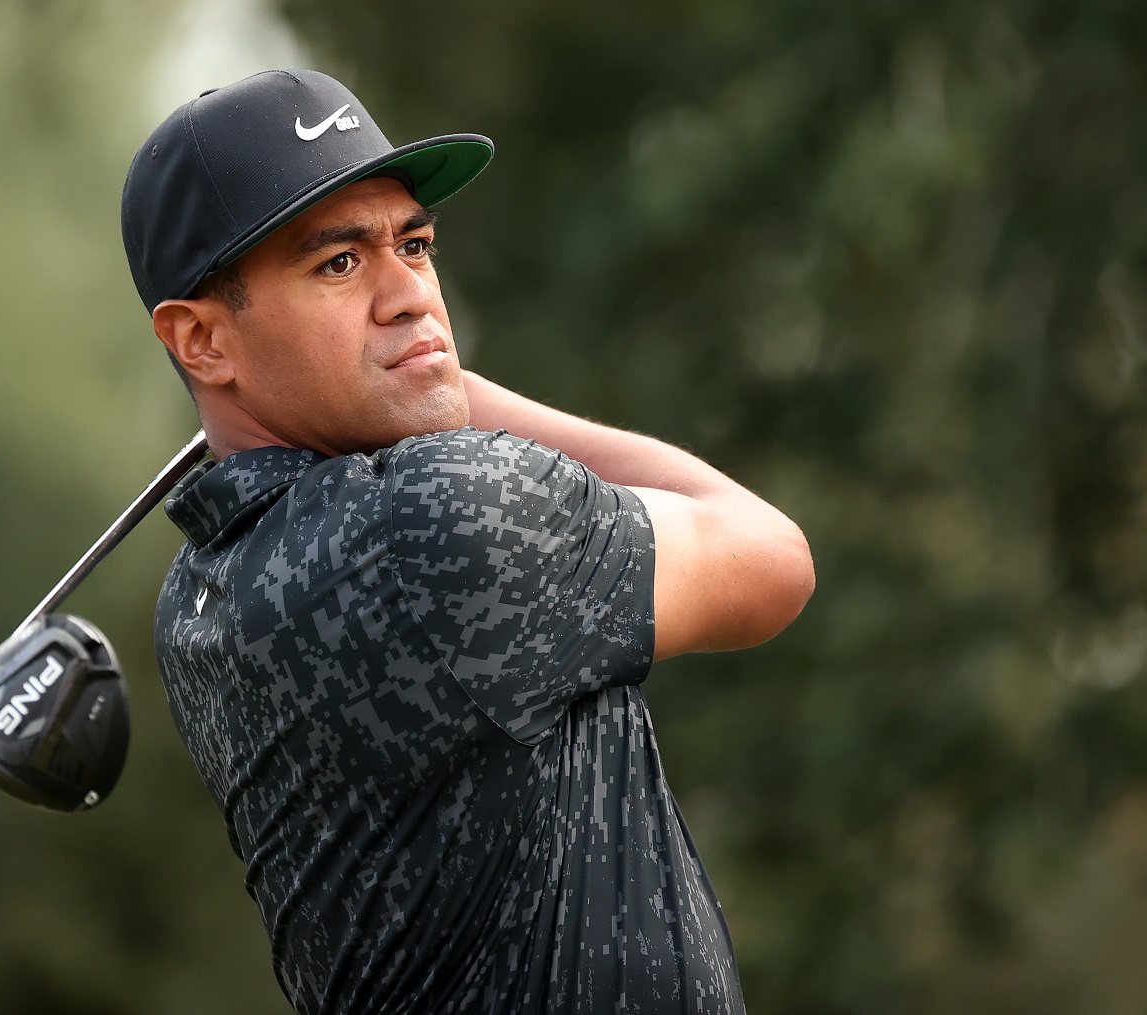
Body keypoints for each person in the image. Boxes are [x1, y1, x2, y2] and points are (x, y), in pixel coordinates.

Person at [121, 69, 813, 1015]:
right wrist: (444, 381)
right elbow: (773, 556)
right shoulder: (444, 518)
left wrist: (408, 374)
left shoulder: (198, 592)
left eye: (415, 245)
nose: (411, 296)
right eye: (339, 264)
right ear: (201, 340)